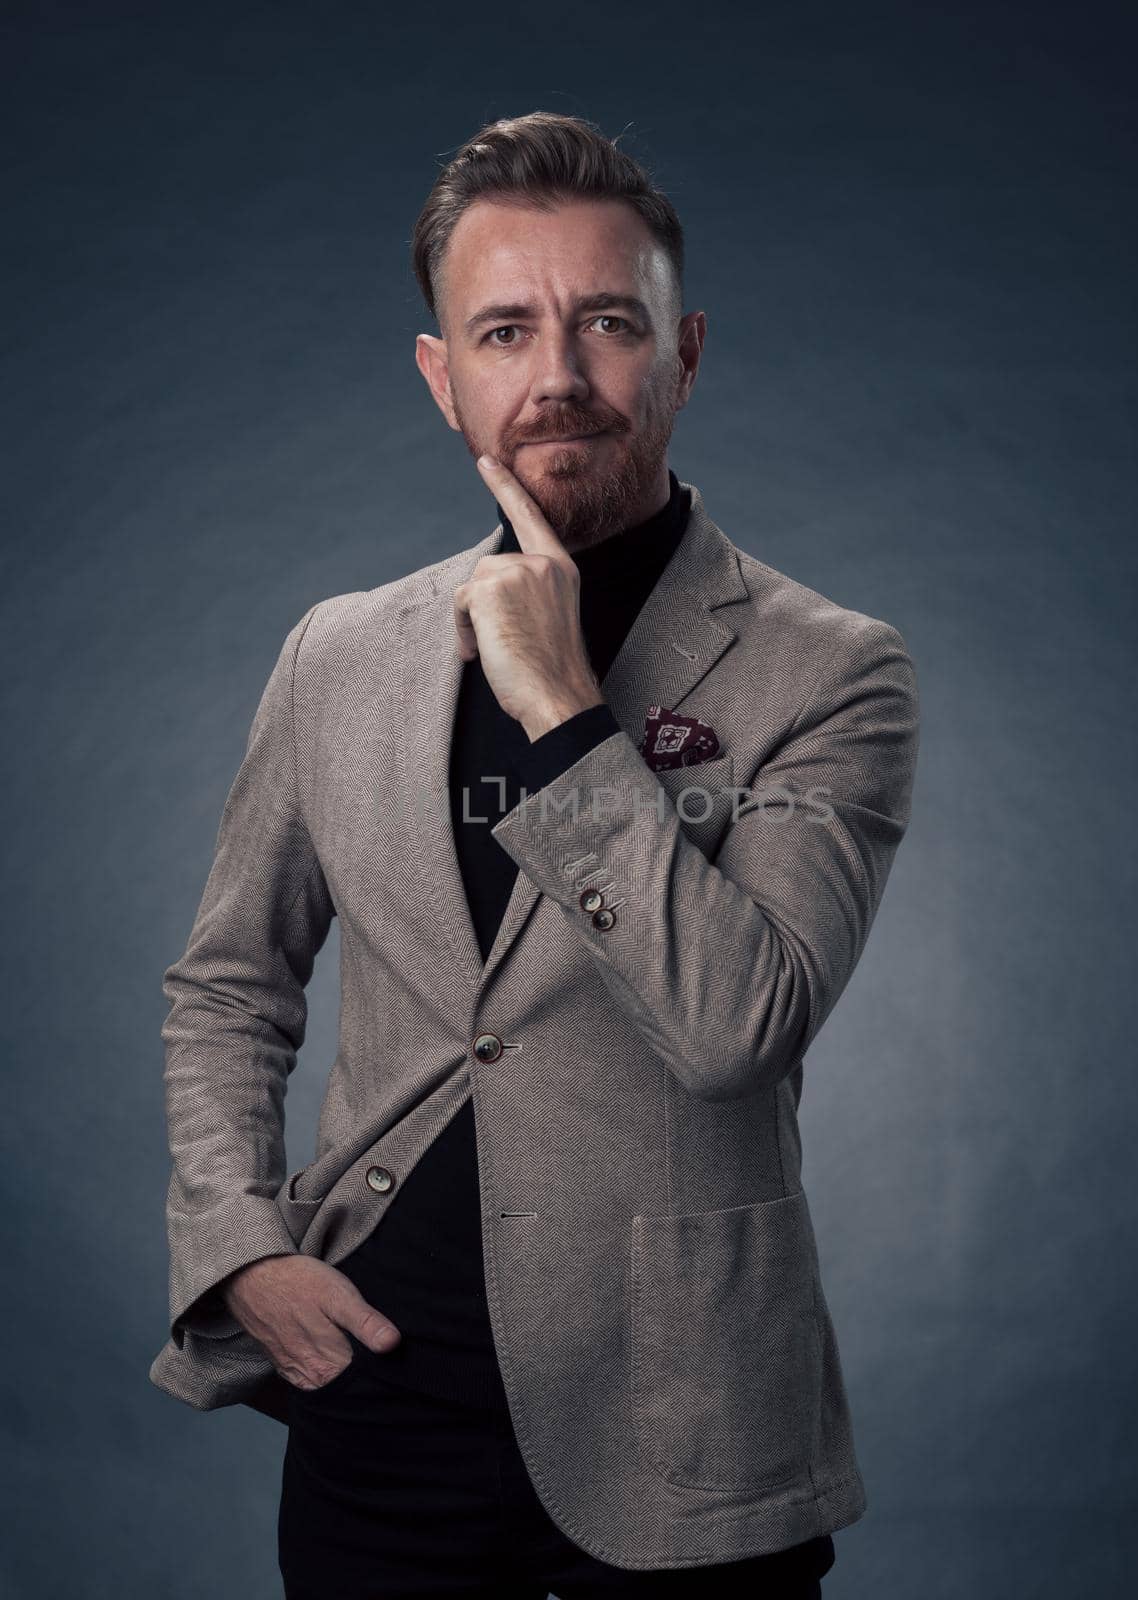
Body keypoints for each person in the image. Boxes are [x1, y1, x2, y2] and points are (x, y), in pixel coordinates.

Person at [149, 110, 920, 1597]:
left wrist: (568, 714)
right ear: (445, 380)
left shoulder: (834, 671)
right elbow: (230, 985)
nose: (558, 378)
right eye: (504, 331)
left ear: (685, 352)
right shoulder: (337, 652)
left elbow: (736, 1028)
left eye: (606, 323)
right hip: (381, 1407)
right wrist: (237, 1243)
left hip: (692, 1423)